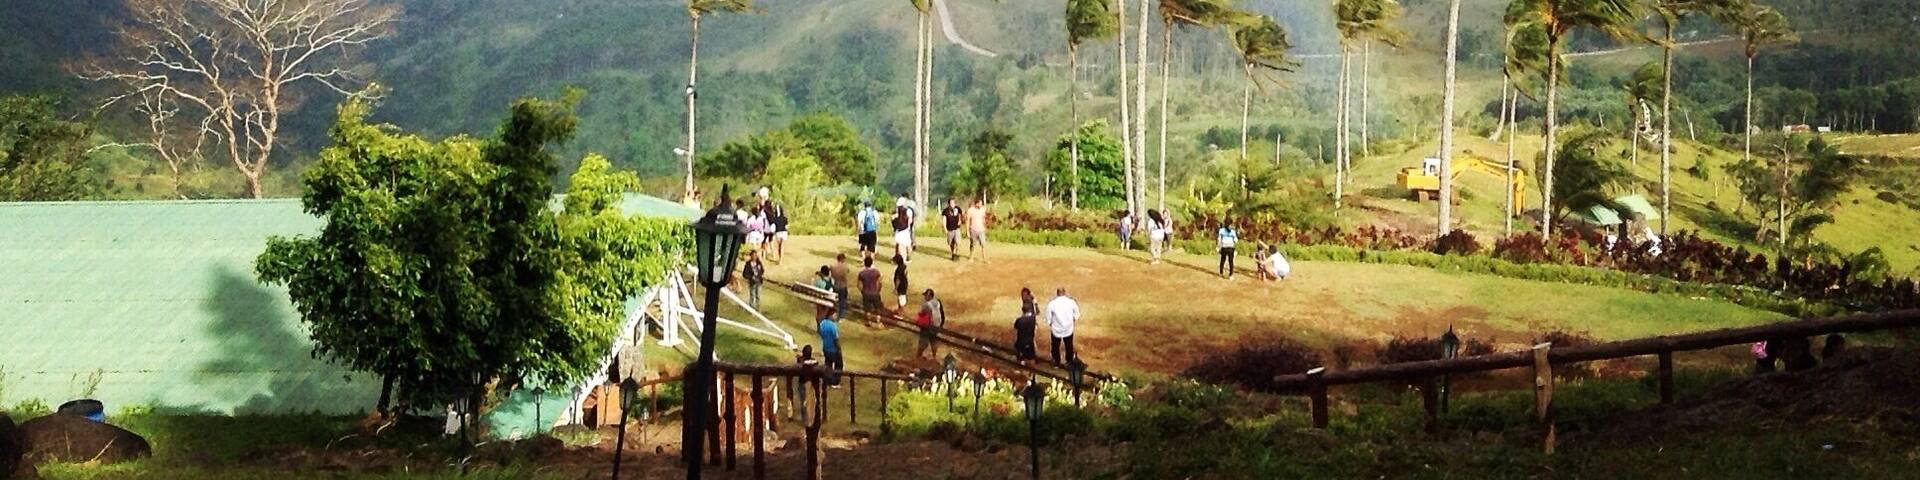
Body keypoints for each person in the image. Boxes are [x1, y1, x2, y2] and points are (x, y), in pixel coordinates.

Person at [1046, 287, 1080, 366]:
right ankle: (1069, 361)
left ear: (1057, 293)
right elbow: (1077, 314)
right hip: (1068, 329)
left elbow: (1048, 316)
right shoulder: (1071, 302)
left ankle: (1056, 361)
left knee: (1055, 346)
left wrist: (1051, 323)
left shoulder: (1052, 303)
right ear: (1064, 293)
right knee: (1069, 345)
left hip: (1056, 329)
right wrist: (1072, 320)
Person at [916, 289, 946, 358]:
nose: (924, 297)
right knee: (933, 340)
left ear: (929, 296)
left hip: (929, 325)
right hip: (937, 325)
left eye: (925, 295)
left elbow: (922, 314)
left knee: (923, 340)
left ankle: (918, 356)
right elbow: (942, 313)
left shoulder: (926, 304)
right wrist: (941, 324)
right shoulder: (938, 302)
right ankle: (934, 356)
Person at [819, 307, 843, 386]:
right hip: (834, 350)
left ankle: (827, 380)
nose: (836, 317)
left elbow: (821, 334)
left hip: (825, 348)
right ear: (830, 315)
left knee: (828, 365)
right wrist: (839, 348)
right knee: (838, 366)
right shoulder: (833, 326)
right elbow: (836, 339)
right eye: (835, 315)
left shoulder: (822, 323)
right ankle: (835, 382)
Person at [1014, 289, 1038, 364]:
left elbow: (1016, 326)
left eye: (1023, 295)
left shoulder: (1029, 301)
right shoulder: (1031, 300)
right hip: (1030, 323)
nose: (1022, 296)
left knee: (1020, 344)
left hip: (1027, 326)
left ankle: (1022, 358)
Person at [893, 197, 917, 263]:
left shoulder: (897, 211)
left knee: (900, 244)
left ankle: (902, 259)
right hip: (906, 229)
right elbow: (910, 220)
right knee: (908, 244)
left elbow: (893, 219)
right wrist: (908, 227)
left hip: (899, 230)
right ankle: (909, 257)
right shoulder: (909, 210)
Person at [829, 253, 852, 320]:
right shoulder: (845, 267)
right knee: (843, 301)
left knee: (836, 300)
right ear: (843, 259)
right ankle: (841, 315)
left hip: (835, 285)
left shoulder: (832, 266)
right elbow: (847, 272)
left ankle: (834, 313)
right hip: (842, 285)